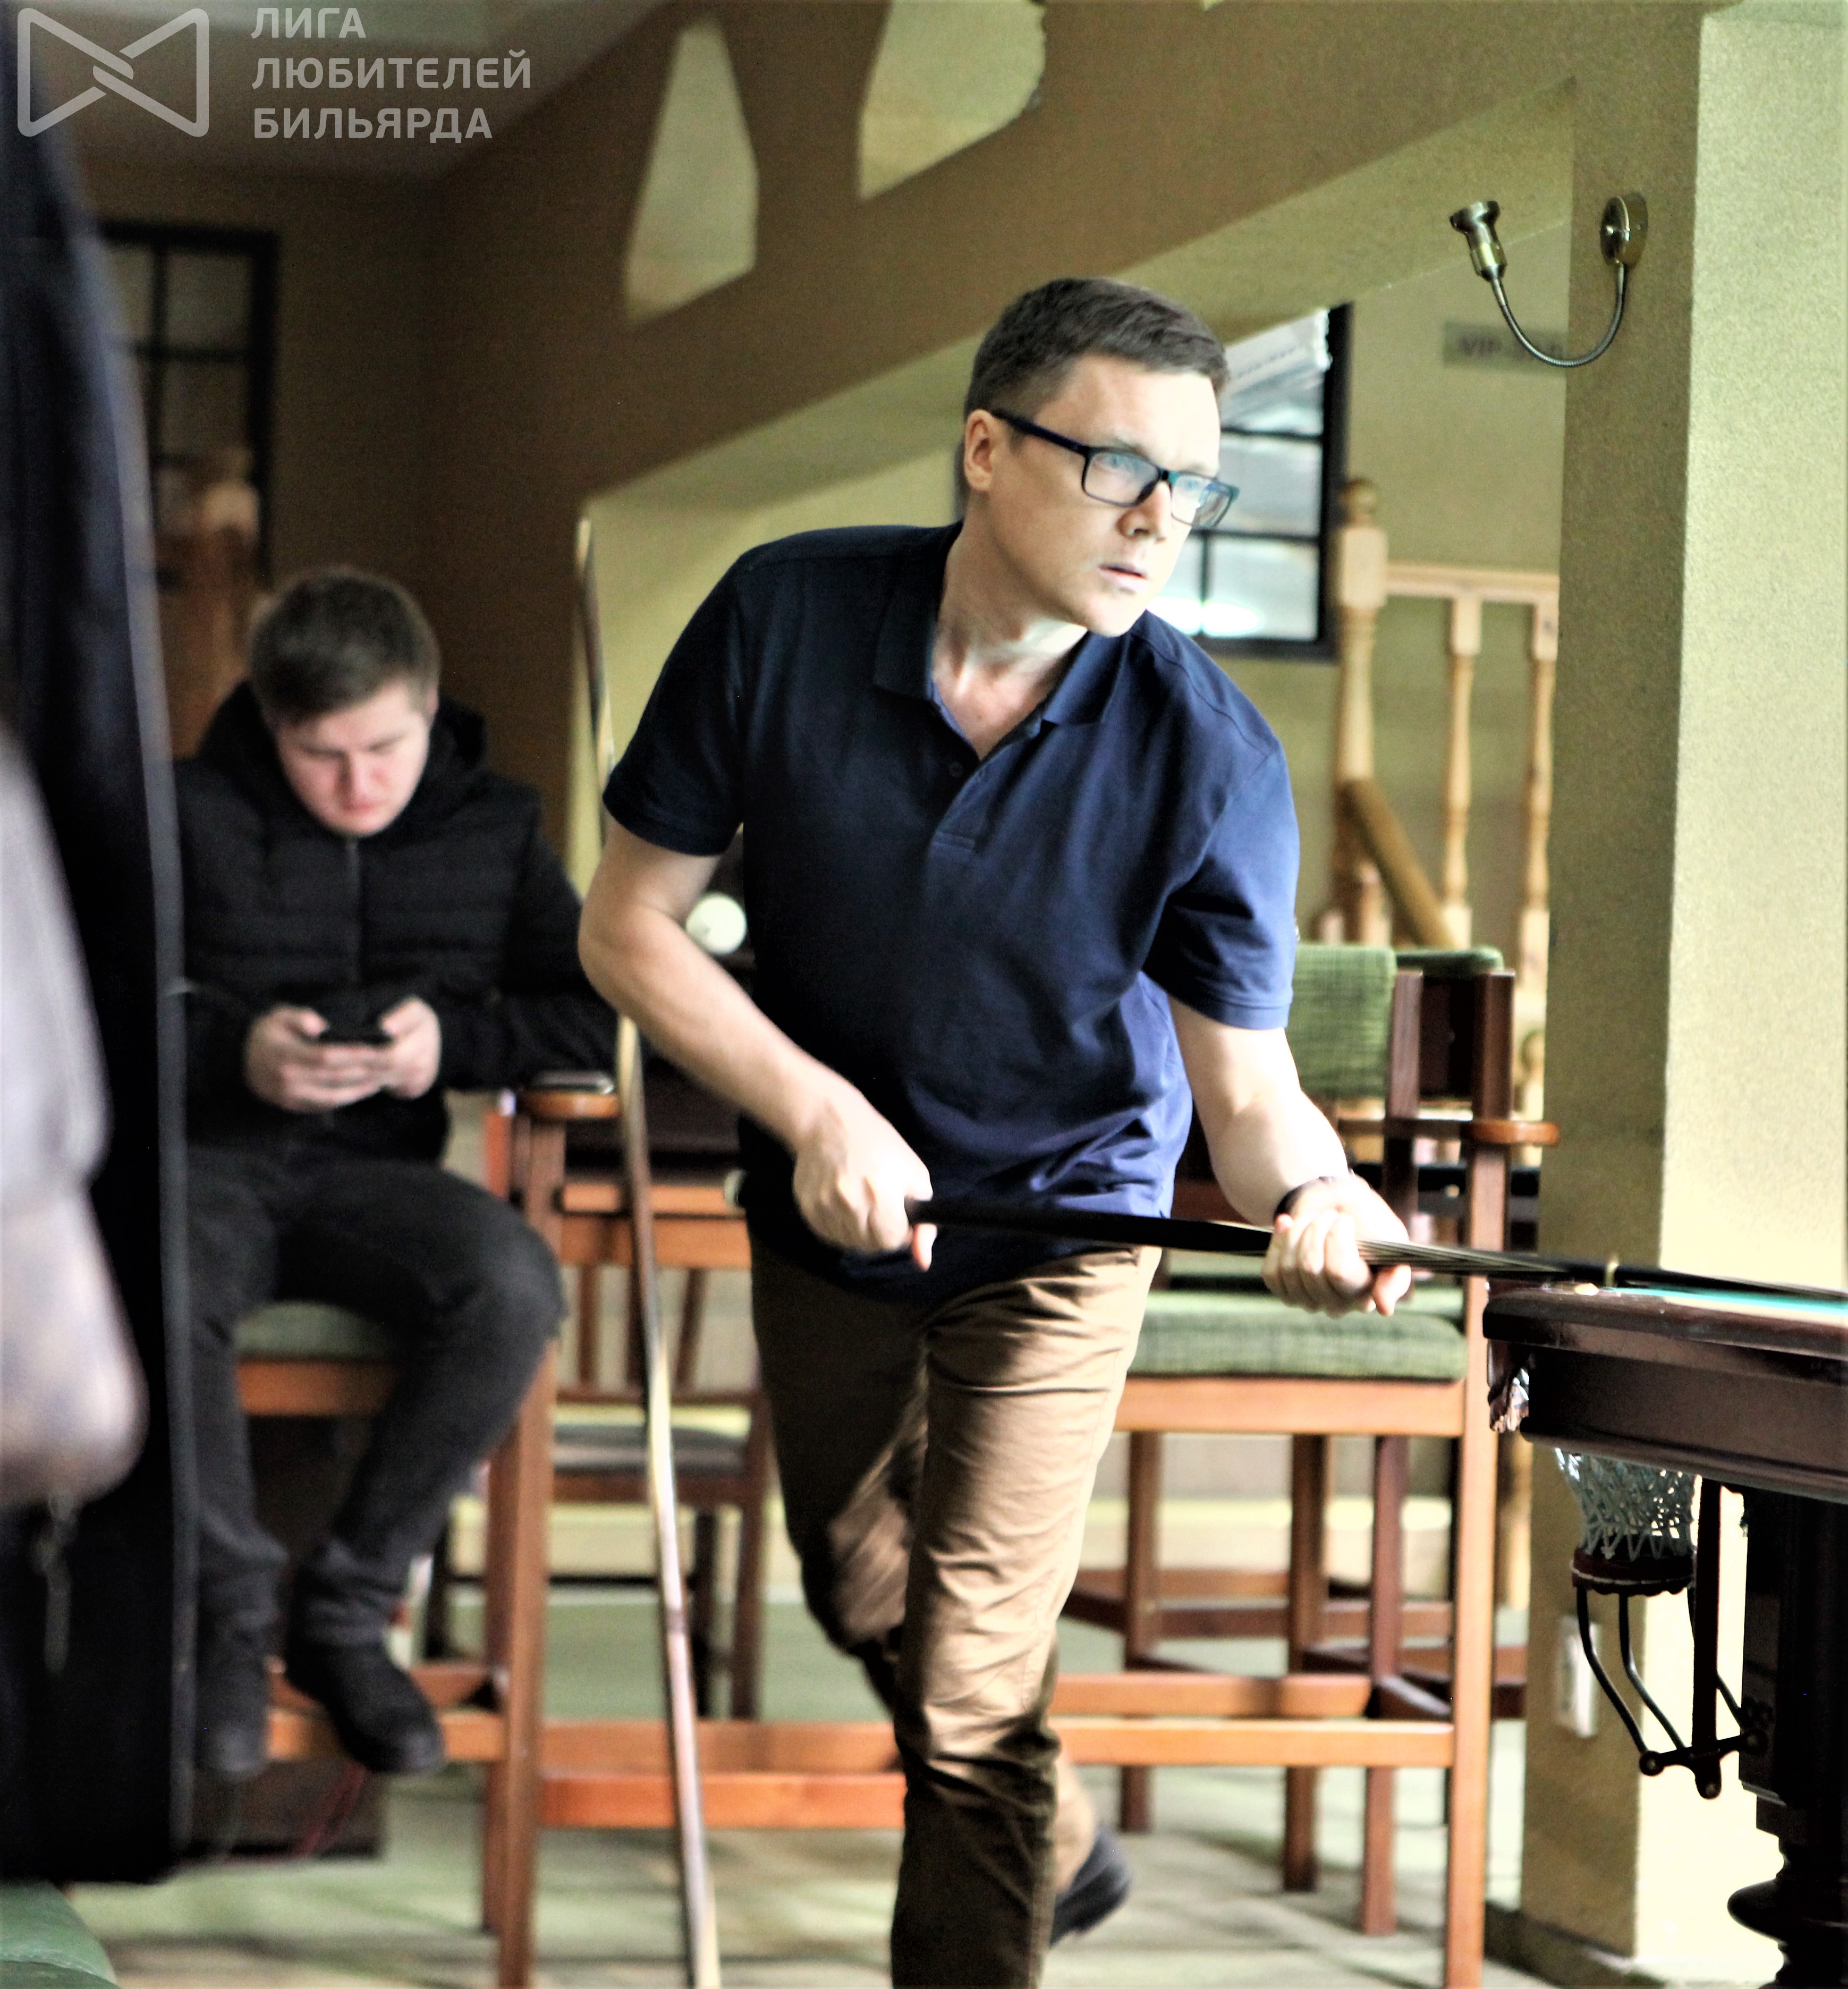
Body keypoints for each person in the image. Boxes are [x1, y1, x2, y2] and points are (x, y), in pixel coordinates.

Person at [577, 276, 1413, 1986]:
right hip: (830, 1206)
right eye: (1119, 470)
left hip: (1062, 1222)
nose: (1158, 520)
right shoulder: (780, 615)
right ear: (983, 448)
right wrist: (813, 1108)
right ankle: (1059, 1838)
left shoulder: (1209, 752)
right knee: (855, 1583)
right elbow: (626, 927)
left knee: (965, 1697)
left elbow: (1245, 1094)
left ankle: (991, 1873)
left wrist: (1324, 1194)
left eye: (1193, 485)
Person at [180, 569, 612, 1781]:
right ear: (272, 725)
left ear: (429, 708)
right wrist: (234, 1050)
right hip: (203, 1162)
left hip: (377, 1177)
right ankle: (225, 1624)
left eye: (384, 748)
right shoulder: (182, 811)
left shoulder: (495, 827)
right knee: (145, 1280)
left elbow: (589, 1017)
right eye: (321, 756)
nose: (359, 785)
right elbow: (82, 1014)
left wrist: (450, 1045)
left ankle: (346, 1612)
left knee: (513, 1288)